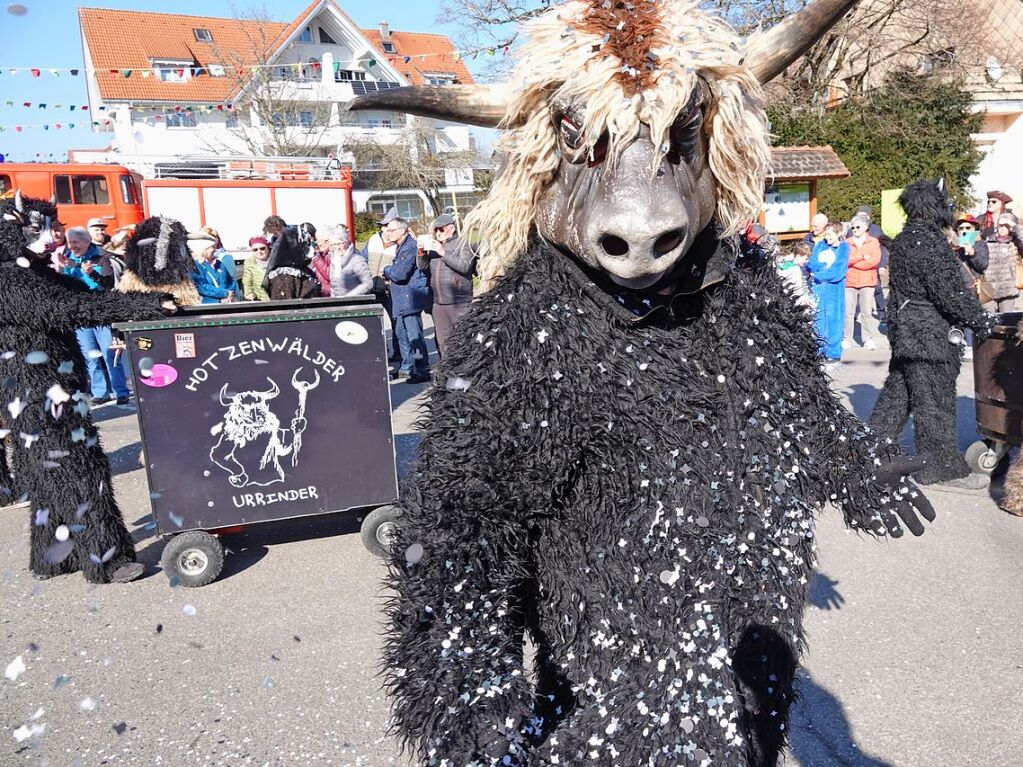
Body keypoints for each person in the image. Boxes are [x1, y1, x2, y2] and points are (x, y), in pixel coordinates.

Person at [869, 180, 994, 491]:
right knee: (935, 403)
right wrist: (980, 321)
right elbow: (950, 294)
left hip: (906, 333)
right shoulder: (930, 244)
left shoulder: (902, 241)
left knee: (898, 398)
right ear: (936, 209)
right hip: (930, 336)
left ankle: (865, 455)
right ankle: (939, 467)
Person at [63, 227, 132, 405]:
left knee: (110, 355)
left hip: (101, 314)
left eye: (75, 242)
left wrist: (91, 273)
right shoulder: (67, 261)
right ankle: (100, 392)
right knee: (90, 356)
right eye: (69, 243)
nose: (72, 246)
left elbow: (108, 285)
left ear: (86, 241)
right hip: (81, 315)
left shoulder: (102, 258)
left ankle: (120, 391)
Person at [417, 213, 476, 358]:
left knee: (463, 342)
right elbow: (422, 267)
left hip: (459, 302)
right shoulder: (434, 246)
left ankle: (465, 375)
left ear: (451, 229)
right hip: (439, 303)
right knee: (443, 343)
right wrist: (421, 252)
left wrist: (442, 252)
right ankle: (447, 374)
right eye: (435, 230)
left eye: (440, 230)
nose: (437, 233)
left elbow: (465, 267)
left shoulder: (463, 244)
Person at [382, 218, 431, 383]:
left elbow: (399, 274)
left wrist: (386, 270)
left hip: (410, 300)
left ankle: (421, 369)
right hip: (402, 300)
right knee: (401, 335)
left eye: (391, 230)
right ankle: (408, 367)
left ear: (402, 231)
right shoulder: (400, 247)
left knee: (415, 338)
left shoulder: (409, 247)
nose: (387, 233)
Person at [806, 221, 848, 364]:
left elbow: (838, 271)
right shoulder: (820, 245)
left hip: (834, 290)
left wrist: (819, 274)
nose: (827, 237)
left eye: (830, 234)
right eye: (826, 234)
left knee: (834, 319)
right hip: (819, 288)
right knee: (819, 319)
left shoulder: (843, 248)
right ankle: (819, 350)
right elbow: (811, 264)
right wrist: (821, 266)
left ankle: (833, 352)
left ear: (839, 233)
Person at [364, 208, 401, 362]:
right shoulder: (373, 240)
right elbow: (362, 259)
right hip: (372, 289)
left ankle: (397, 353)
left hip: (390, 290)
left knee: (396, 323)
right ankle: (381, 352)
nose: (386, 230)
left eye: (389, 227)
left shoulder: (399, 244)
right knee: (374, 324)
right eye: (384, 226)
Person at [952, 213, 989, 358]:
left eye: (968, 227)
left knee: (972, 318)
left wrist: (972, 252)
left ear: (976, 230)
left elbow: (983, 265)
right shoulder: (957, 250)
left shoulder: (981, 245)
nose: (964, 231)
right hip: (959, 289)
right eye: (961, 228)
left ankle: (971, 346)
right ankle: (961, 343)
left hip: (974, 288)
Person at [843, 213, 882, 350]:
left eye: (858, 226)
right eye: (852, 227)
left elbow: (874, 261)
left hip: (867, 282)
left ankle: (868, 339)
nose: (854, 229)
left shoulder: (874, 242)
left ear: (865, 227)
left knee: (866, 312)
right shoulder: (846, 243)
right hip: (850, 282)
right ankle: (847, 337)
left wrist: (855, 263)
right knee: (848, 312)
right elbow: (845, 261)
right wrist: (861, 257)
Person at [264, 225, 322, 300]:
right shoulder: (283, 276)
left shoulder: (303, 270)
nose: (308, 248)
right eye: (304, 245)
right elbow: (285, 306)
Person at [980, 212, 1022, 314]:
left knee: (1007, 321)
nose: (1003, 228)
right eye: (1001, 225)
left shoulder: (1015, 243)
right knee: (987, 320)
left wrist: (1016, 227)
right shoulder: (988, 241)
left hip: (1008, 289)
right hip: (988, 288)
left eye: (1006, 226)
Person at [323, 227, 373, 297]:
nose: (338, 247)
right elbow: (333, 287)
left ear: (346, 242)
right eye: (334, 244)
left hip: (355, 304)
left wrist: (348, 297)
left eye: (340, 243)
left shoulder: (357, 260)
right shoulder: (334, 260)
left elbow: (368, 283)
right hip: (338, 304)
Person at [190, 236, 237, 304]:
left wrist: (230, 294)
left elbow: (230, 281)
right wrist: (224, 293)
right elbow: (201, 286)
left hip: (226, 302)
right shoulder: (196, 265)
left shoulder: (219, 264)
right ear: (204, 249)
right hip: (208, 304)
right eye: (213, 247)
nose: (215, 250)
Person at [776, 242, 813, 309]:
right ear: (798, 256)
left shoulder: (783, 264)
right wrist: (805, 302)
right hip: (795, 304)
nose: (806, 261)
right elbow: (798, 289)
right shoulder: (795, 270)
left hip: (784, 301)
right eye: (805, 259)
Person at [241, 236, 272, 301]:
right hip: (261, 298)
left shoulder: (276, 260)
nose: (259, 252)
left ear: (268, 248)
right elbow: (247, 281)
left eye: (262, 248)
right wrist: (249, 293)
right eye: (255, 250)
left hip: (277, 297)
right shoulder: (249, 262)